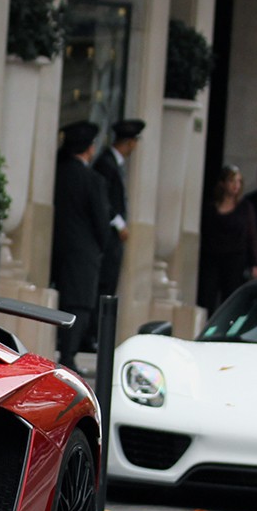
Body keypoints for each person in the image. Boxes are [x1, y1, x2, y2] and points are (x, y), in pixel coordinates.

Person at [51, 120, 113, 372]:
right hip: (83, 251)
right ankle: (68, 354)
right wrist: (101, 246)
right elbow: (102, 223)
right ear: (89, 148)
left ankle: (66, 351)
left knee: (66, 298)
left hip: (59, 246)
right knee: (80, 304)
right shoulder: (92, 180)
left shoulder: (58, 173)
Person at [87, 118, 145, 350]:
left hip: (111, 238)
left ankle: (97, 335)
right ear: (131, 143)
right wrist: (119, 224)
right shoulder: (105, 163)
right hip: (107, 237)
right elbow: (104, 201)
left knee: (109, 285)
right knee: (103, 286)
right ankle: (91, 335)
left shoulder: (113, 163)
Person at [197, 163, 257, 313]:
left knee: (230, 297)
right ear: (223, 183)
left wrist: (256, 263)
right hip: (213, 258)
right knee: (208, 296)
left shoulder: (245, 207)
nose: (236, 185)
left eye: (239, 181)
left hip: (235, 259)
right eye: (232, 181)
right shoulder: (211, 208)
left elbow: (252, 236)